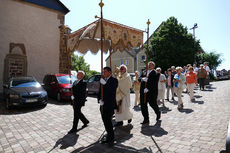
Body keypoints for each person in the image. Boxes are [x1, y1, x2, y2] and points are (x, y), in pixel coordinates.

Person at [98, 67, 118, 144]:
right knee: (105, 121)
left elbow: (112, 91)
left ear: (110, 72)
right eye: (103, 71)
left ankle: (111, 138)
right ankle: (109, 136)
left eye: (105, 71)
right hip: (102, 104)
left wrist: (105, 84)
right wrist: (99, 100)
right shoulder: (103, 80)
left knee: (108, 121)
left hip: (110, 104)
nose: (103, 73)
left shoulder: (114, 80)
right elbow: (100, 91)